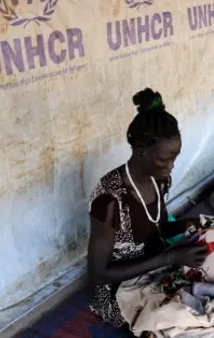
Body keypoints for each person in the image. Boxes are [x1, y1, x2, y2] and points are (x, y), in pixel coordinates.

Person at [87, 87, 206, 327]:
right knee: (184, 320)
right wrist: (170, 257)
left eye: (174, 158)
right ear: (141, 151)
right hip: (119, 290)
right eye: (165, 159)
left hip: (156, 265)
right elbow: (98, 273)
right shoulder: (109, 199)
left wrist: (195, 225)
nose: (171, 166)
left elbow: (159, 227)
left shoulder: (157, 178)